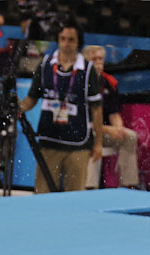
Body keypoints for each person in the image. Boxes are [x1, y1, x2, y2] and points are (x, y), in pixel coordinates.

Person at [17, 20, 103, 193]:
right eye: (63, 39)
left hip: (78, 144)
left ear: (78, 42)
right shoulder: (45, 65)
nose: (66, 43)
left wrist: (98, 143)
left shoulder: (87, 70)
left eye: (71, 39)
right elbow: (32, 99)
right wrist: (18, 107)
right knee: (43, 195)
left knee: (74, 198)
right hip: (49, 141)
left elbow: (96, 109)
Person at [82, 45, 138, 189]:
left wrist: (118, 128)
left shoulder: (109, 82)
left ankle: (128, 185)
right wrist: (108, 129)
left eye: (100, 59)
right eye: (94, 59)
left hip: (104, 129)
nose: (98, 62)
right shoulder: (78, 82)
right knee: (94, 138)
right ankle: (90, 188)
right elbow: (83, 121)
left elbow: (114, 113)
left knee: (129, 136)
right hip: (83, 130)